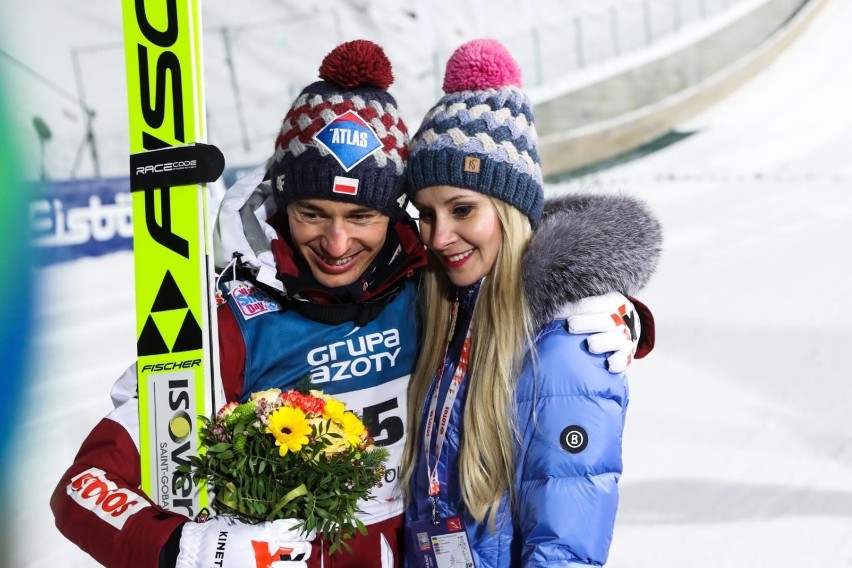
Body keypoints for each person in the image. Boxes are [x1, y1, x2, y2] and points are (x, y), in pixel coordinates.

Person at [51, 40, 651, 568]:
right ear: (282, 208)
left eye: (362, 216)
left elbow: (519, 292)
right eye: (313, 215)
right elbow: (84, 486)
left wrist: (614, 311)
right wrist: (180, 548)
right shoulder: (229, 322)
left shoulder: (428, 284)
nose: (337, 246)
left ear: (393, 218)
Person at [400, 39, 663, 567]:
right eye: (425, 213)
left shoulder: (570, 347)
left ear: (510, 210)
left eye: (462, 209)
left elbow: (564, 551)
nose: (439, 235)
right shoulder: (445, 311)